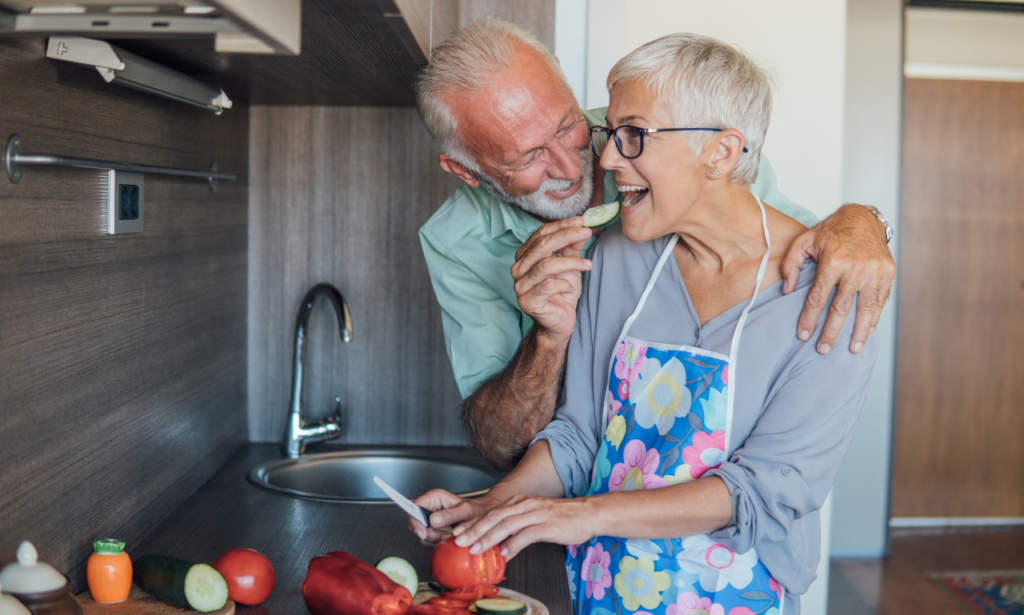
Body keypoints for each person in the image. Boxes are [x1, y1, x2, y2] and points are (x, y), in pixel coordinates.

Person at [411, 33, 879, 615]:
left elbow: (768, 488)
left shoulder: (830, 290)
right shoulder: (618, 254)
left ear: (720, 153)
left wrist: (866, 219)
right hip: (598, 580)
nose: (600, 162)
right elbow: (578, 433)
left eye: (622, 134)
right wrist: (497, 504)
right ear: (468, 170)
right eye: (528, 156)